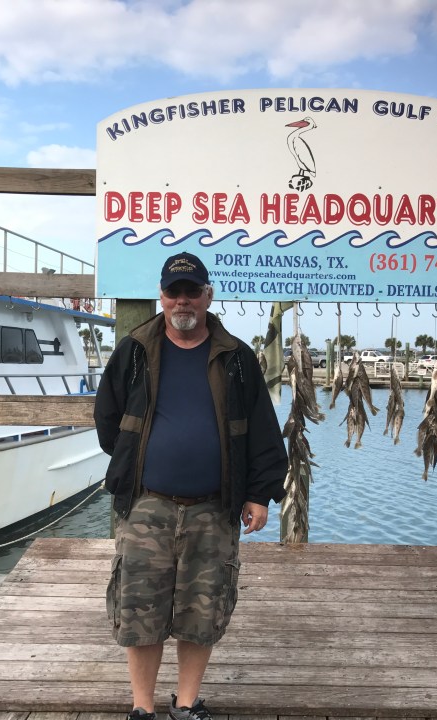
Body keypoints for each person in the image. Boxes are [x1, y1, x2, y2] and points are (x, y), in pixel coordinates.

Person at [94, 252, 287, 720]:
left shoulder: (237, 358)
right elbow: (107, 419)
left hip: (215, 509)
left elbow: (263, 430)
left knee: (202, 611)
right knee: (140, 609)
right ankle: (142, 708)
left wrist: (258, 494)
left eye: (192, 291)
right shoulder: (134, 351)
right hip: (146, 506)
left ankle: (186, 703)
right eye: (174, 291)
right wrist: (136, 465)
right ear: (162, 296)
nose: (183, 300)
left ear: (208, 296)